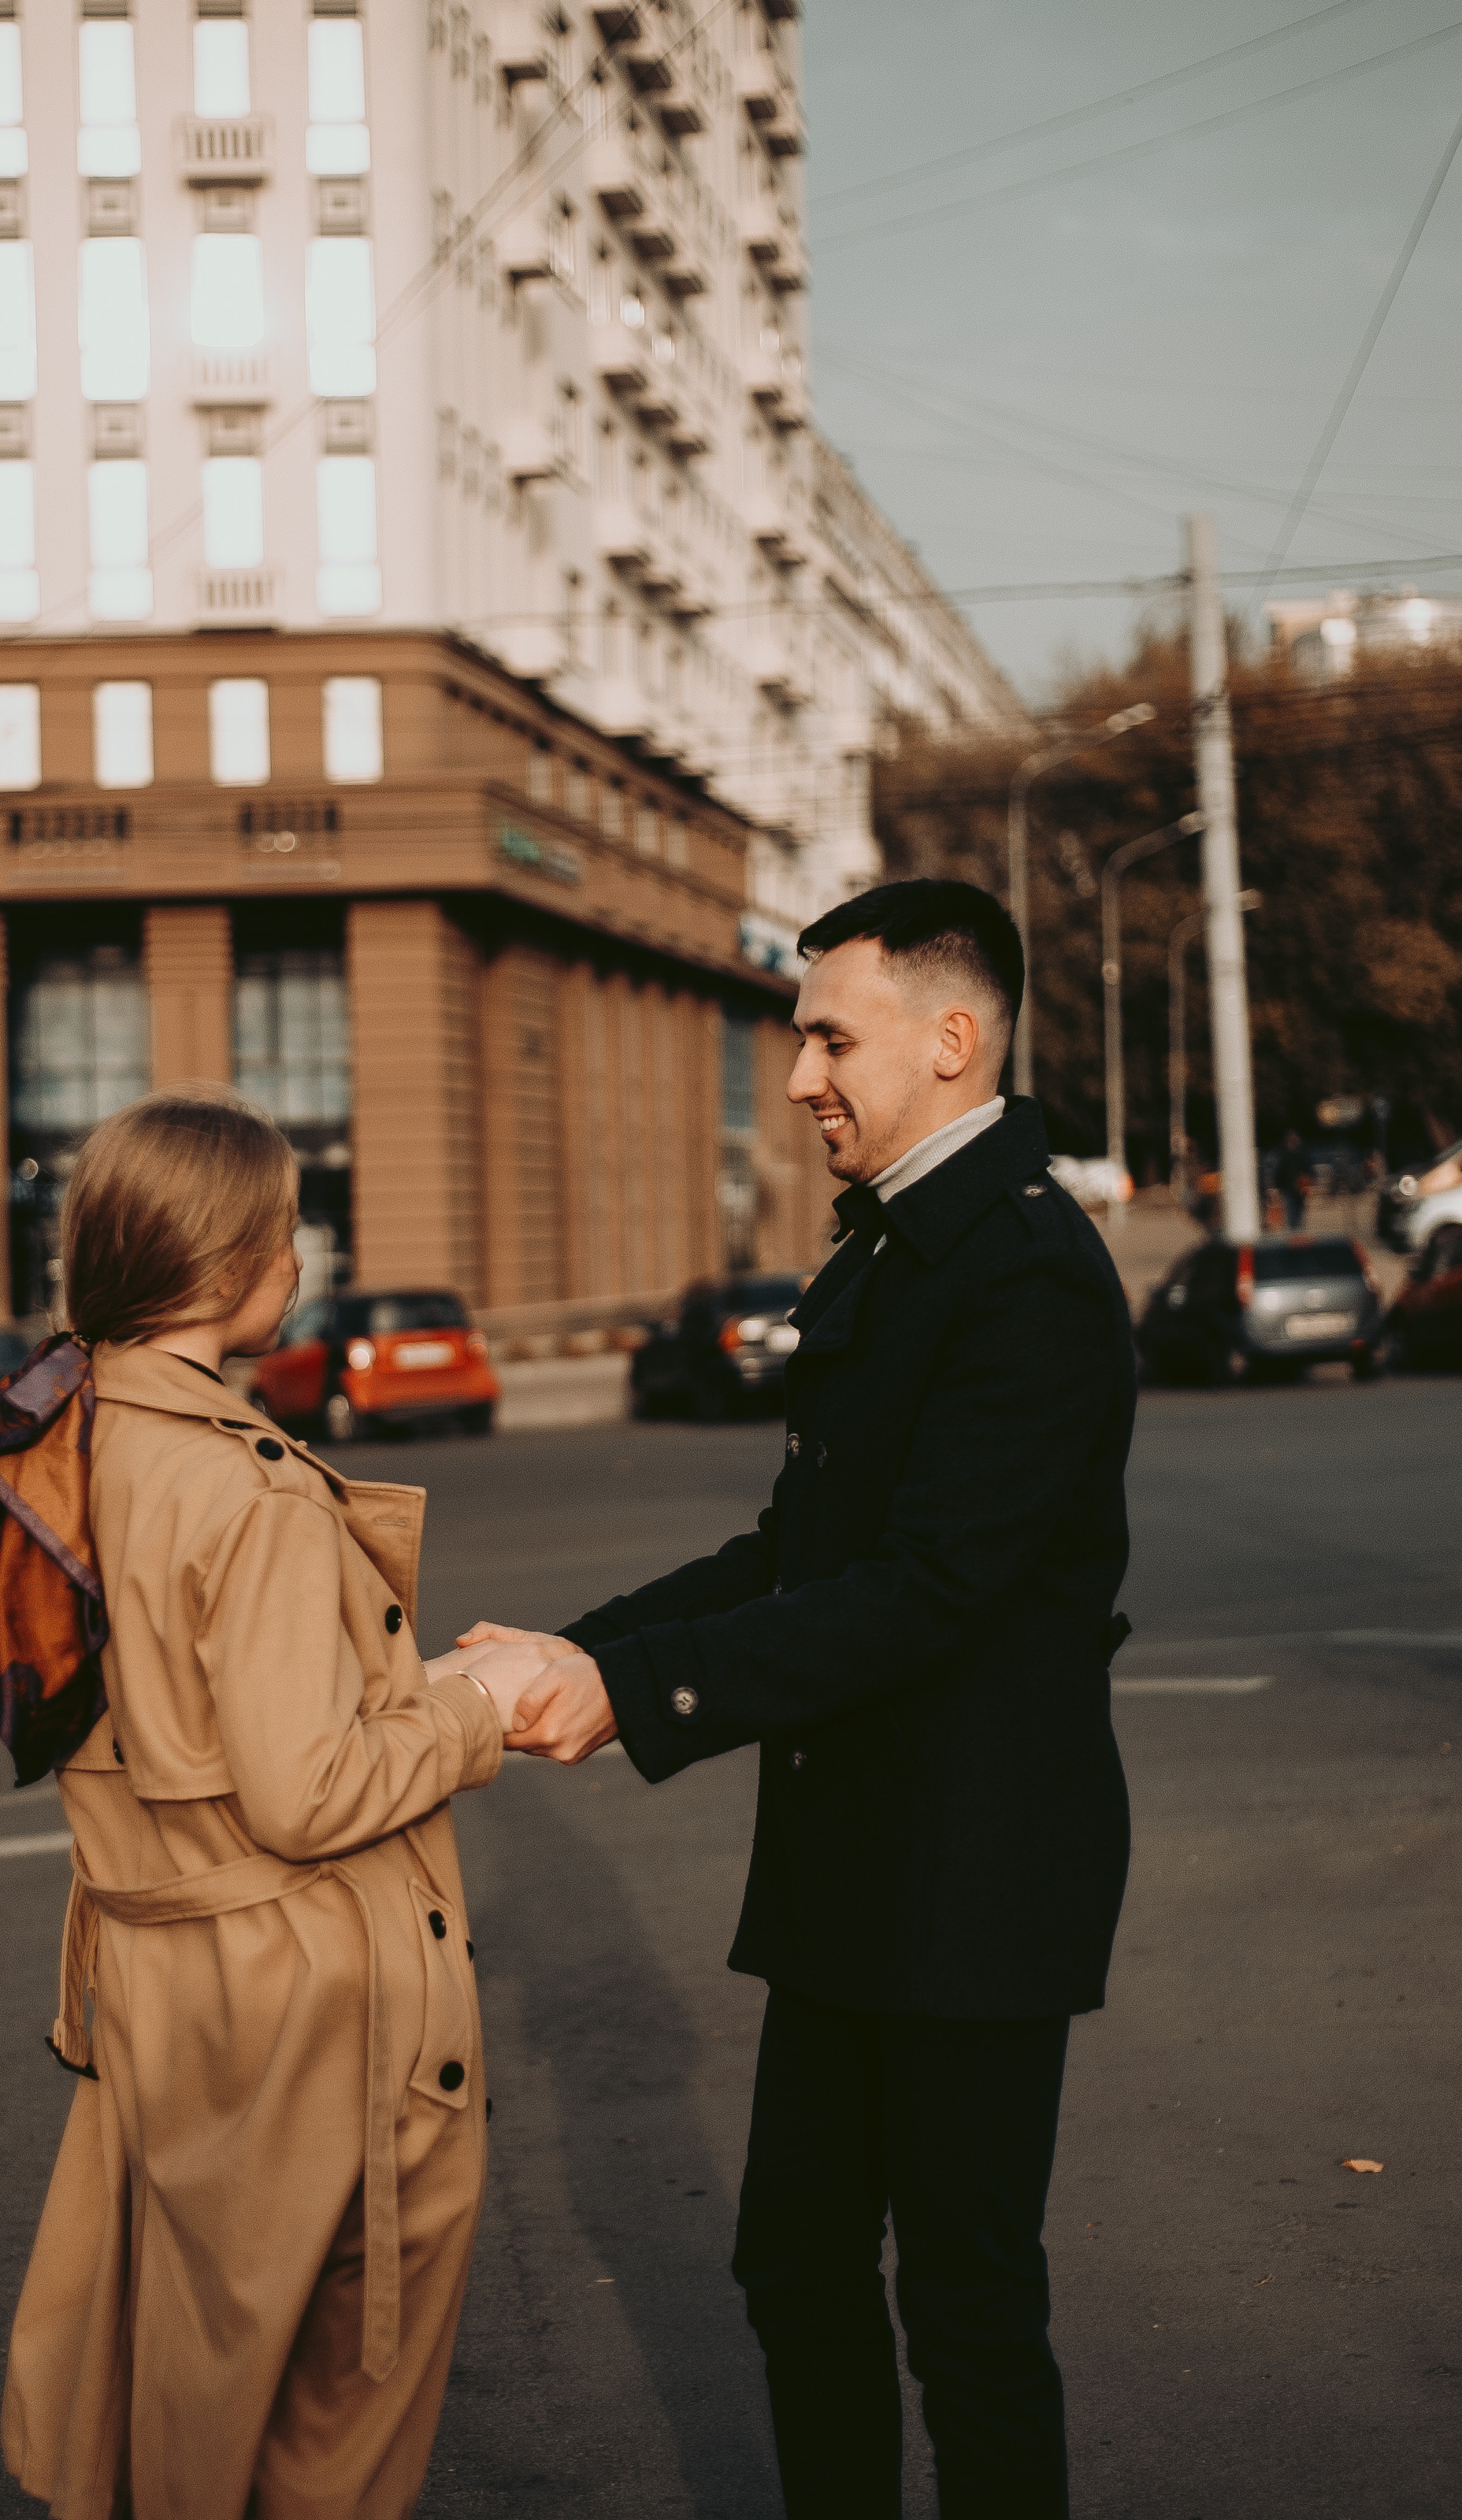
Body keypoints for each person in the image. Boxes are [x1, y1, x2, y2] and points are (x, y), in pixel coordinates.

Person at [461, 879, 1137, 2519]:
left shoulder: (1021, 1271)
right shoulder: (904, 1248)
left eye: (830, 1036)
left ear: (952, 1039)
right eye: (799, 1039)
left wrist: (623, 1692)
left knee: (968, 2308)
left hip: (975, 1873)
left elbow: (927, 1590)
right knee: (795, 2264)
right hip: (857, 1862)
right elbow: (794, 1545)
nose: (799, 1077)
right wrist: (565, 1646)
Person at [0, 1089, 540, 2520]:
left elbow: (186, 1712)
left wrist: (390, 1688)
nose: (299, 1263)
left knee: (188, 2380)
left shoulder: (71, 1441)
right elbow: (308, 1794)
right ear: (228, 1261)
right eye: (287, 1235)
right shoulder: (250, 1492)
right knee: (332, 2428)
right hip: (306, 2002)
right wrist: (479, 1710)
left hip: (164, 1985)